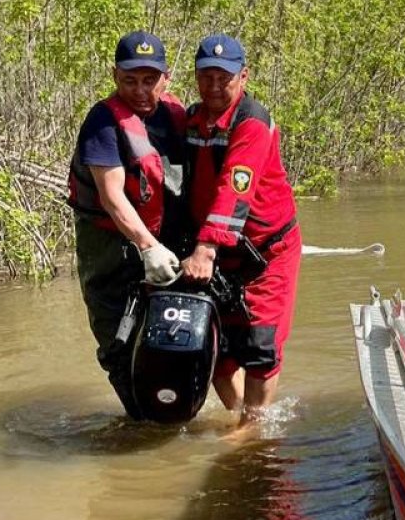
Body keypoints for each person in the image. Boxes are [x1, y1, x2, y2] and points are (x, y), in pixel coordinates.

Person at [179, 34, 301, 425]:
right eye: (206, 77)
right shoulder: (192, 119)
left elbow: (236, 185)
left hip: (267, 252)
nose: (215, 87)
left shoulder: (253, 121)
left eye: (224, 78)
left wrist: (205, 248)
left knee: (261, 346)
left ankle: (252, 428)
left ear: (243, 77)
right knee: (213, 347)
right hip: (220, 252)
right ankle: (240, 418)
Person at [68, 31, 189, 417]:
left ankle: (173, 418)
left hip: (168, 245)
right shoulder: (103, 122)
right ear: (115, 75)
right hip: (110, 252)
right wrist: (147, 246)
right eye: (130, 80)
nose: (140, 90)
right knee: (120, 346)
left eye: (149, 80)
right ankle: (140, 423)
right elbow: (111, 195)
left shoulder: (175, 115)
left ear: (166, 78)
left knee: (175, 338)